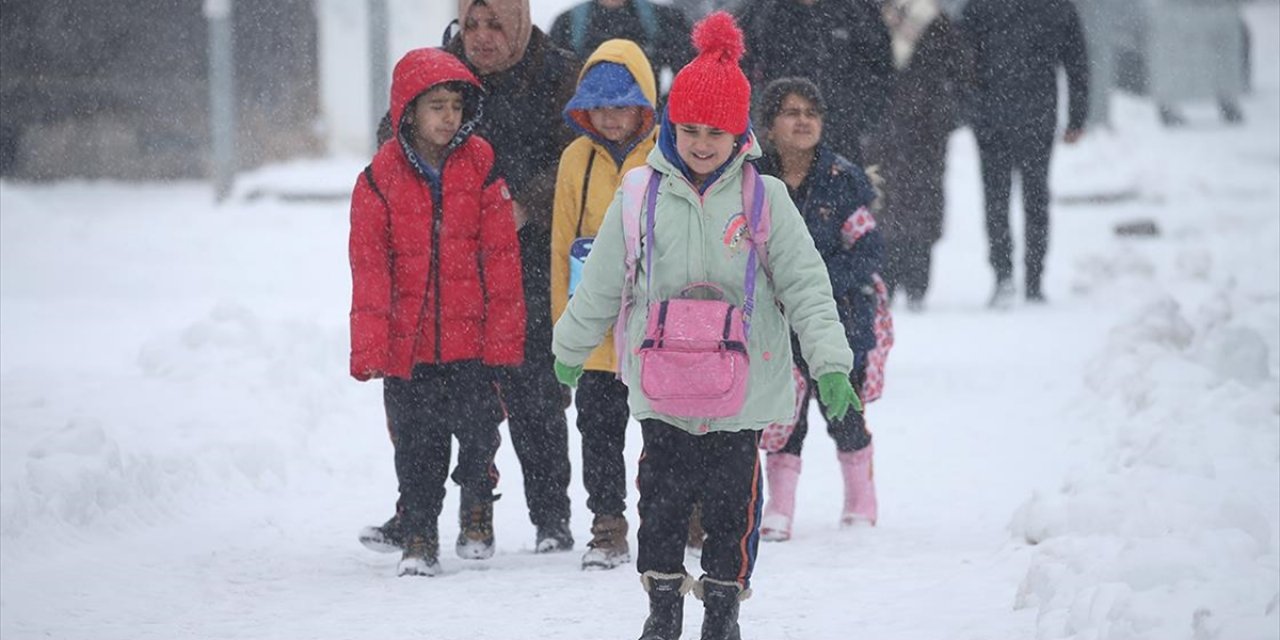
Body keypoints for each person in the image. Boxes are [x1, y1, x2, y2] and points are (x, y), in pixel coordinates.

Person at [551, 13, 859, 639]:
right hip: (663, 392)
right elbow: (604, 280)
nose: (699, 142)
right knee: (658, 509)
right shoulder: (639, 195)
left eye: (715, 131)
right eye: (688, 128)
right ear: (669, 125)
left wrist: (829, 364)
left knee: (733, 514)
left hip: (739, 398)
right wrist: (569, 348)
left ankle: (722, 613)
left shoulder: (763, 198)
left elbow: (807, 287)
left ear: (740, 131)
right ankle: (663, 611)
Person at [366, 0, 581, 555]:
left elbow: (579, 155)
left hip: (530, 252)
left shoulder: (558, 72)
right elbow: (394, 138)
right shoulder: (438, 69)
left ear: (520, 21)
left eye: (494, 25)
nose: (481, 38)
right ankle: (426, 511)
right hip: (450, 263)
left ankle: (551, 518)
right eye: (471, 25)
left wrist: (526, 205)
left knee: (535, 389)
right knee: (435, 398)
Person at [349, 48, 525, 576]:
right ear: (408, 112)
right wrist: (372, 347)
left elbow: (501, 260)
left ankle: (476, 510)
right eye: (435, 106)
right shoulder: (379, 178)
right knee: (417, 447)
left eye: (455, 105)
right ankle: (420, 535)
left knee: (478, 435)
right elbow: (370, 271)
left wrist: (504, 338)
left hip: (472, 346)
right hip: (411, 348)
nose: (448, 117)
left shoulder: (482, 166)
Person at [755, 77, 885, 541]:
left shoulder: (843, 179)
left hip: (839, 318)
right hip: (774, 320)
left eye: (811, 113)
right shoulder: (753, 178)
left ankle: (860, 497)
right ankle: (780, 506)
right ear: (769, 126)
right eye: (791, 112)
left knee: (843, 411)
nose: (803, 121)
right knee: (781, 417)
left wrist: (819, 285)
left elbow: (868, 249)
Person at [550, 38, 659, 571]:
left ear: (644, 102)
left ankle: (676, 511)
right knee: (598, 429)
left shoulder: (667, 153)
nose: (611, 118)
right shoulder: (576, 160)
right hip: (594, 329)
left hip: (655, 328)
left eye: (622, 104)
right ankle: (608, 521)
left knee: (665, 428)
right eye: (601, 105)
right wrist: (563, 330)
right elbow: (559, 242)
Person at [959, 0, 1088, 307]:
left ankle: (1005, 275)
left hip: (994, 116)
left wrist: (968, 108)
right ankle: (1031, 279)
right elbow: (1077, 61)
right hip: (1035, 115)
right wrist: (1077, 117)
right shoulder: (1056, 6)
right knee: (1034, 198)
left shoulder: (980, 7)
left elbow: (963, 59)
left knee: (997, 198)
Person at [865, 0, 964, 311]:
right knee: (881, 201)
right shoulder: (869, 17)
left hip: (925, 134)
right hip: (881, 130)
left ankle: (917, 281)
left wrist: (944, 115)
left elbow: (961, 76)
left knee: (921, 203)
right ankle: (887, 279)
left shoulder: (936, 22)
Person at [735, 0, 893, 165]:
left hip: (840, 145)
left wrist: (855, 122)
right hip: (774, 147)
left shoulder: (859, 12)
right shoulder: (762, 12)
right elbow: (738, 70)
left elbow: (881, 74)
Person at [548, 0, 694, 98]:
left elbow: (691, 77)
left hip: (649, 133)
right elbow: (552, 86)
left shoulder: (664, 19)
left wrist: (664, 115)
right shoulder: (567, 24)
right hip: (583, 132)